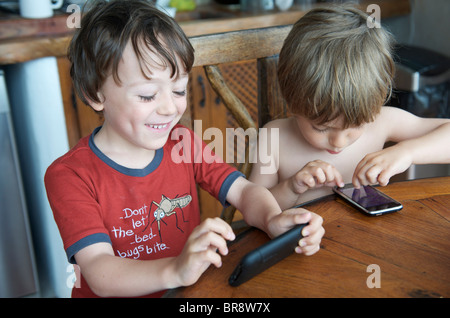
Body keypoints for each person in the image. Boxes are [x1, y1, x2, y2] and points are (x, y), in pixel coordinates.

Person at [44, 0, 324, 298]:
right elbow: (99, 270)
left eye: (179, 90)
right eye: (148, 95)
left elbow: (243, 192)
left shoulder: (183, 143)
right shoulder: (70, 175)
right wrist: (176, 269)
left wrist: (272, 219)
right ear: (94, 94)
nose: (169, 108)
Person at [249, 4, 450, 211]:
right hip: (301, 241)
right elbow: (253, 210)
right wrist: (291, 187)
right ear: (292, 102)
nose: (338, 142)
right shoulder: (273, 137)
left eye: (357, 124)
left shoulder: (382, 121)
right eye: (321, 127)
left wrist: (407, 152)